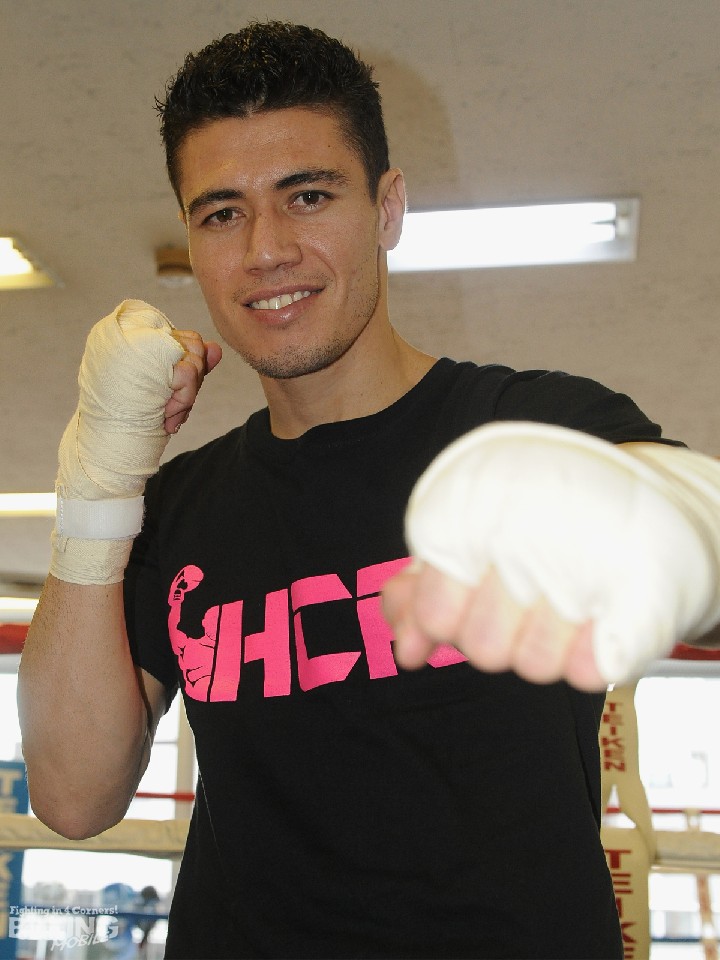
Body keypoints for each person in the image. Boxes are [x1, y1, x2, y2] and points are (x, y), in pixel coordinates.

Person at [17, 21, 720, 960]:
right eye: (221, 213)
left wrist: (663, 533)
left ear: (388, 208)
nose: (266, 250)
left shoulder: (539, 424)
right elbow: (71, 796)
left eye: (307, 196)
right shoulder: (178, 503)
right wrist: (95, 481)